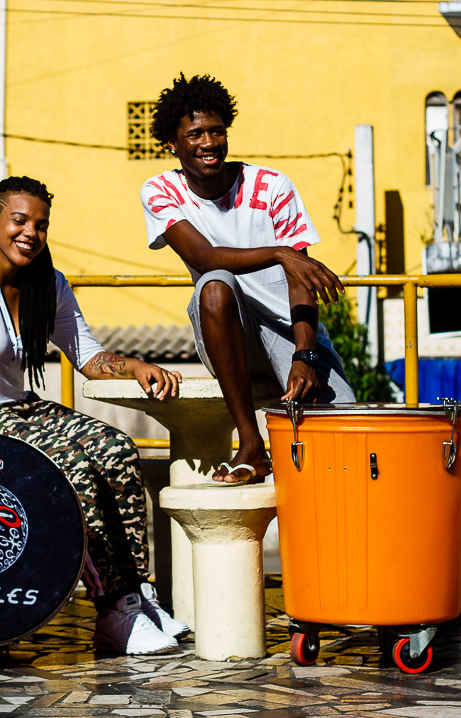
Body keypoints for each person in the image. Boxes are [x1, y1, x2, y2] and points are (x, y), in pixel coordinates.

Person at [0, 175, 189, 655]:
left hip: (14, 411)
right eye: (19, 220)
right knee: (70, 469)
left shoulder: (46, 284)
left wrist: (135, 365)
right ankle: (113, 607)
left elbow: (90, 359)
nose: (30, 232)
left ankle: (135, 598)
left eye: (41, 224)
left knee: (115, 449)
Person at [140, 73, 355, 485]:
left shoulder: (272, 186)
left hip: (291, 331)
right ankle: (251, 445)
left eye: (217, 131)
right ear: (172, 141)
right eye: (196, 133)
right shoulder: (161, 189)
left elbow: (300, 280)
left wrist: (305, 355)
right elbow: (202, 256)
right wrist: (279, 252)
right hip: (227, 332)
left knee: (342, 450)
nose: (208, 142)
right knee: (214, 282)